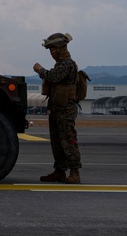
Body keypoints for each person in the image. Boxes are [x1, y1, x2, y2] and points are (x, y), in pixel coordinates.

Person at [33, 32, 82, 184]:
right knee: (57, 142)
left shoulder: (67, 64)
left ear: (61, 48)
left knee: (68, 140)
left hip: (65, 110)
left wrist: (40, 70)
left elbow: (53, 77)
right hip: (57, 108)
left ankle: (74, 172)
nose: (52, 52)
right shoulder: (60, 64)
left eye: (53, 49)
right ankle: (59, 171)